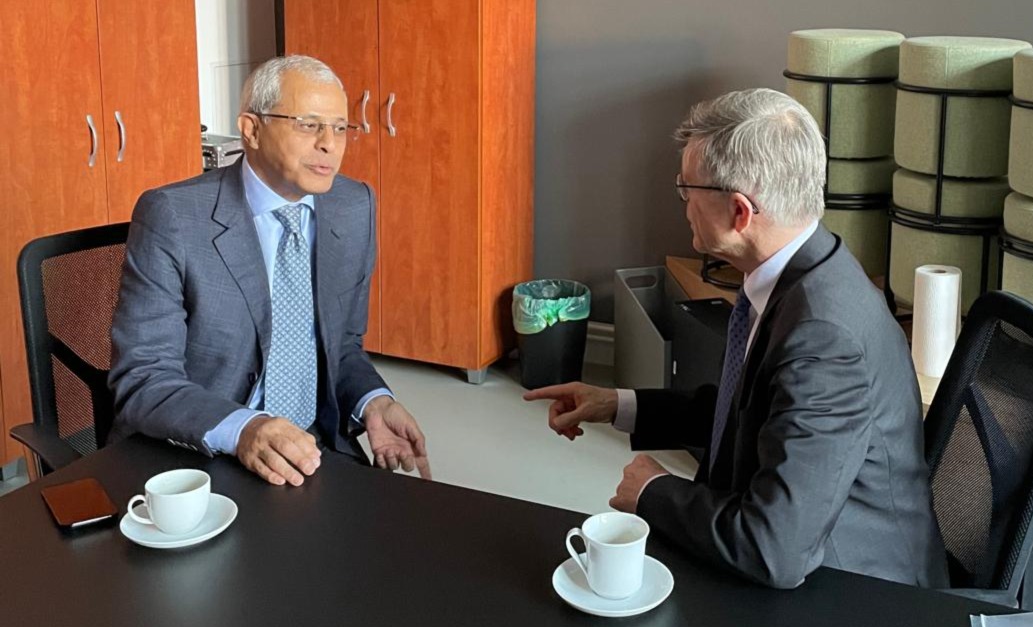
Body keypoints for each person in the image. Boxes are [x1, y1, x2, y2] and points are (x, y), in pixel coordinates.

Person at [525, 88, 947, 589]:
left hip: (855, 589)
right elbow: (748, 414)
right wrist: (618, 404)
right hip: (802, 546)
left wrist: (655, 491)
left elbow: (775, 551)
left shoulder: (823, 339)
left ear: (740, 212)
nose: (684, 205)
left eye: (686, 189)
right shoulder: (808, 270)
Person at [109, 55, 430, 486]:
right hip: (203, 451)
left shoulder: (353, 206)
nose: (330, 144)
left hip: (312, 446)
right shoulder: (173, 216)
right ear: (251, 129)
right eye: (309, 124)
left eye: (340, 128)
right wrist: (245, 428)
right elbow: (145, 376)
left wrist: (373, 402)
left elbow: (342, 346)